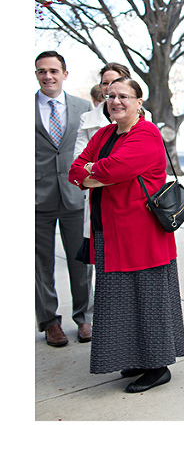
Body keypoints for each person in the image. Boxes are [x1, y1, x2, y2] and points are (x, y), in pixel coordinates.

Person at [69, 77, 184, 393]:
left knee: (147, 299)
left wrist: (96, 173)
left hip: (141, 235)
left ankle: (158, 366)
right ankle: (137, 359)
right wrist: (96, 173)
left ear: (139, 102)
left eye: (123, 96)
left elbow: (113, 169)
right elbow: (75, 170)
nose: (115, 101)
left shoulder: (146, 134)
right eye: (110, 96)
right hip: (110, 231)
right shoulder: (106, 133)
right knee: (119, 300)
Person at [35, 51, 93, 347]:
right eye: (42, 71)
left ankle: (84, 317)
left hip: (74, 195)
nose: (48, 76)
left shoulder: (83, 107)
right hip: (35, 198)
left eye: (53, 71)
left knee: (80, 260)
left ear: (64, 74)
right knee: (39, 263)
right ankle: (49, 322)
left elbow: (92, 148)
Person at [74, 63, 133, 263]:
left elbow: (130, 167)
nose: (109, 88)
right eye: (105, 83)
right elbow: (76, 168)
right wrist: (112, 171)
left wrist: (95, 167)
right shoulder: (88, 119)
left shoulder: (144, 120)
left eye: (114, 82)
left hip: (131, 205)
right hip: (98, 204)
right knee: (102, 270)